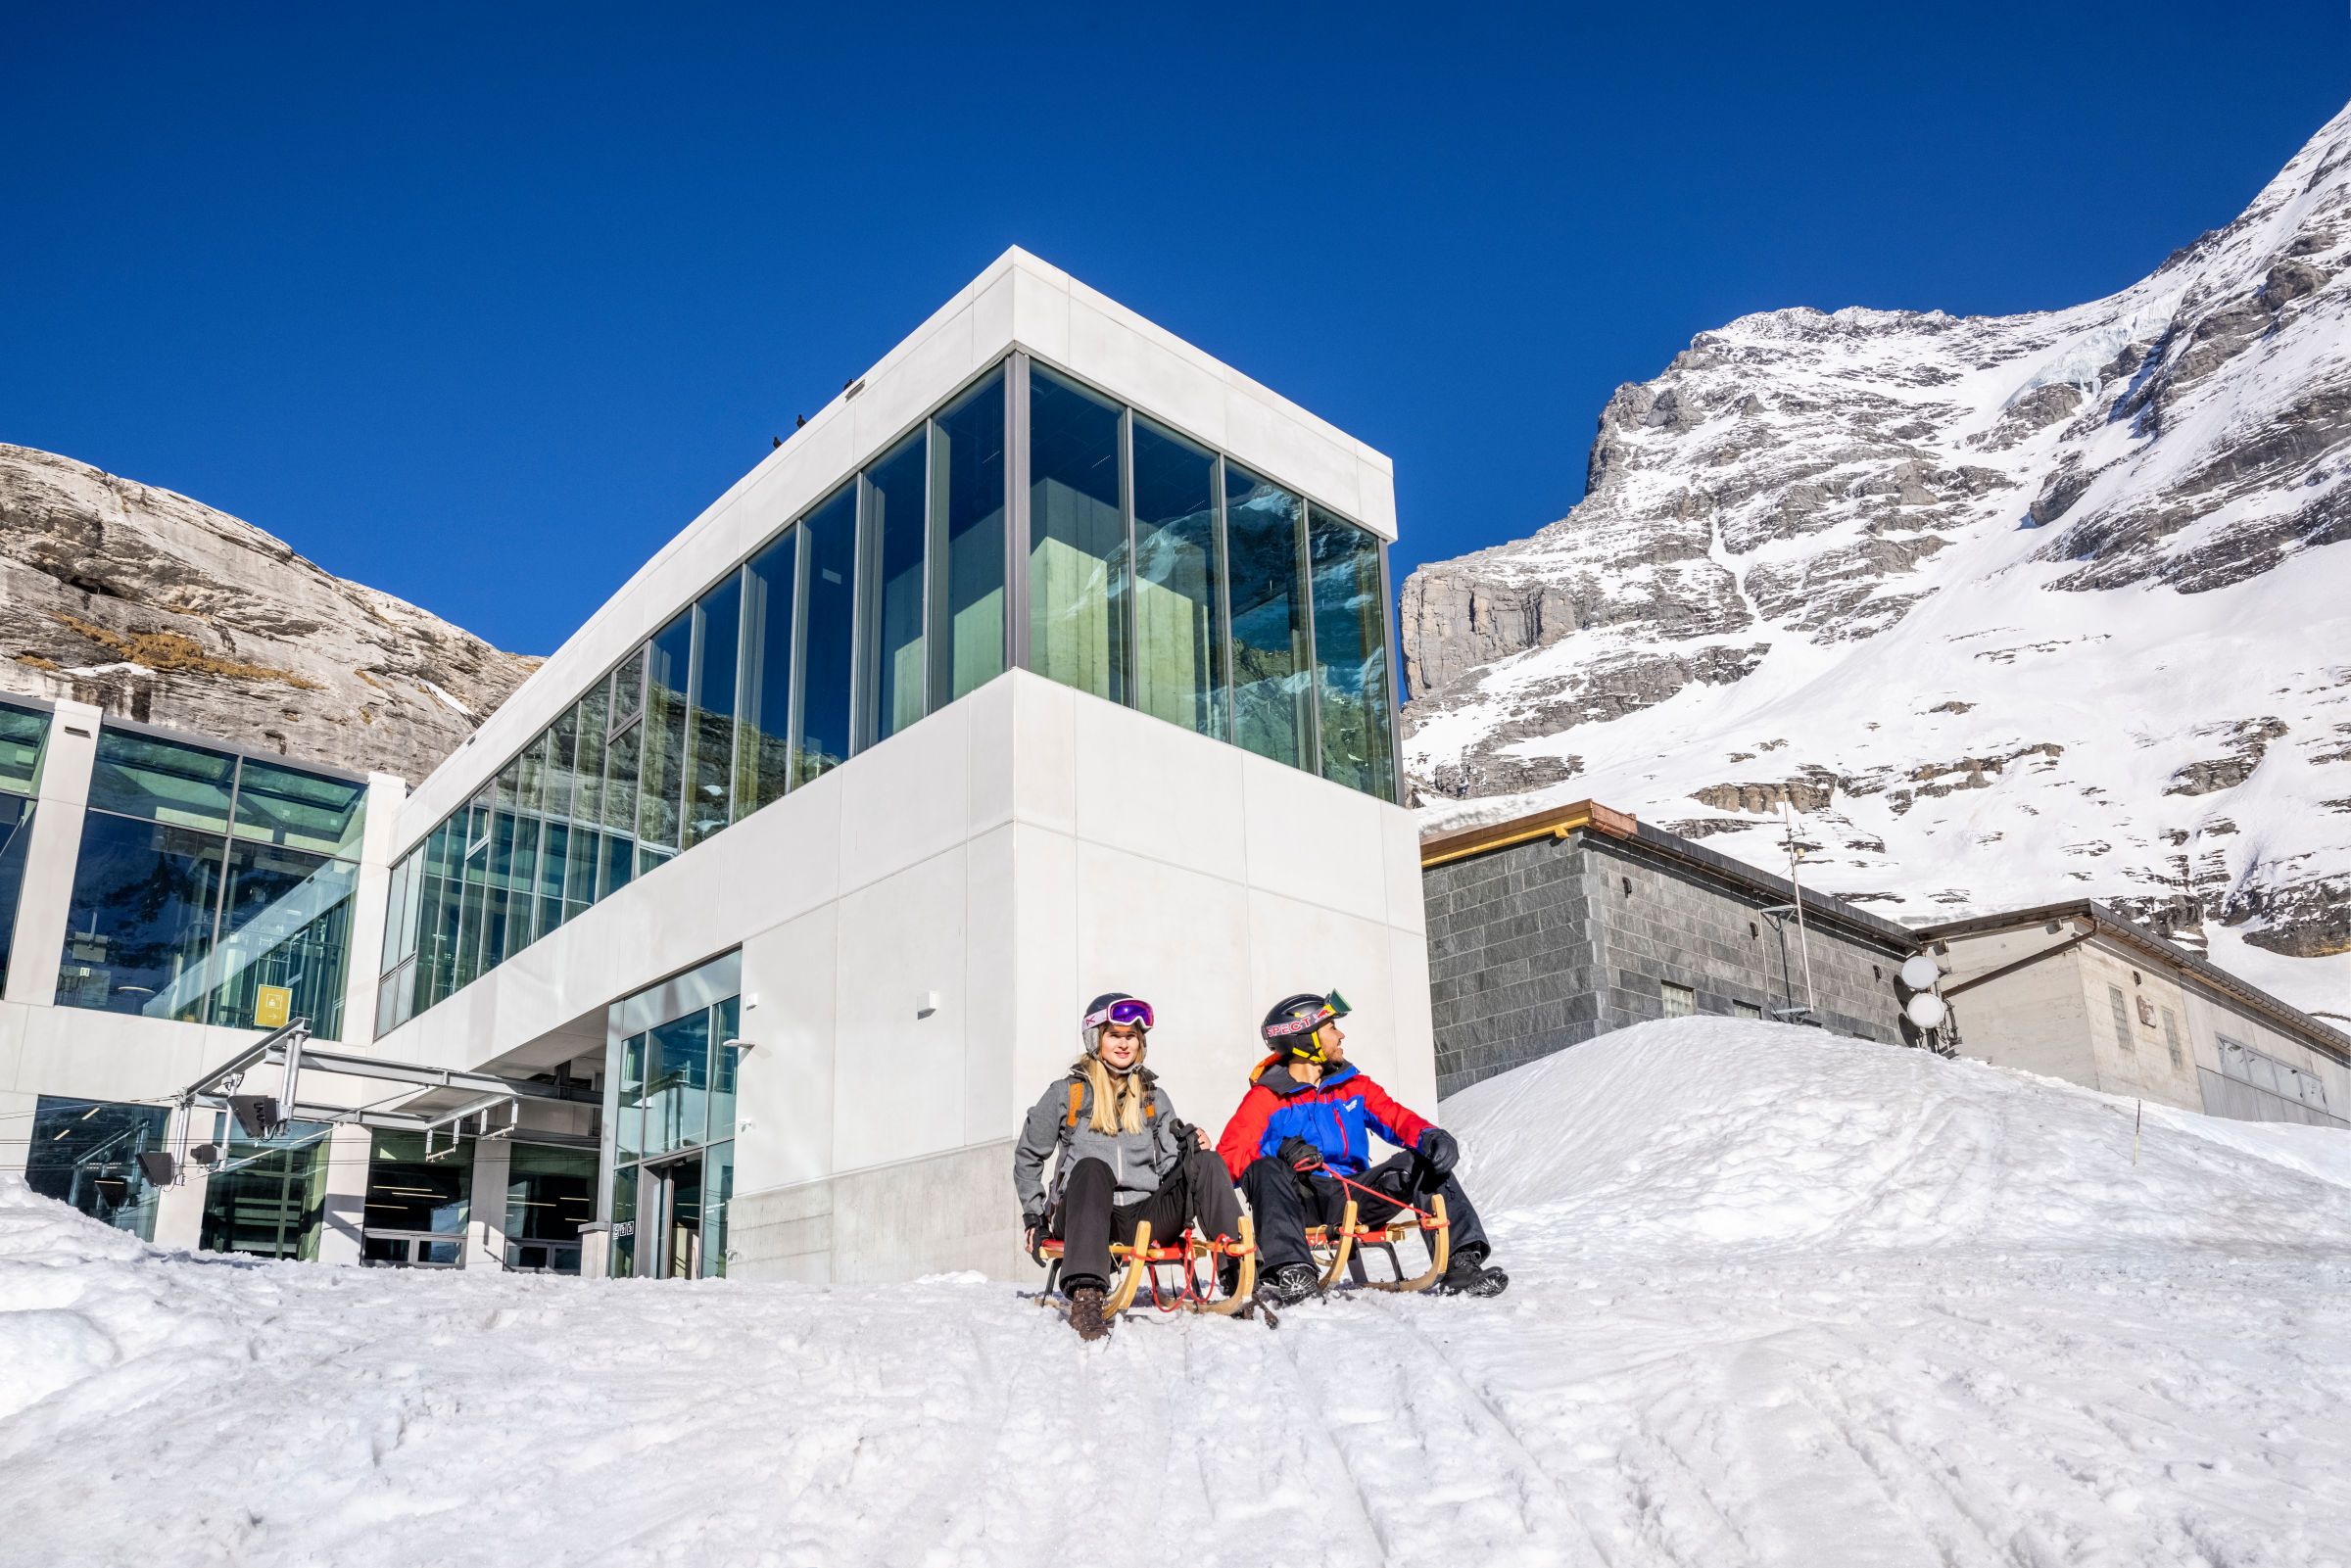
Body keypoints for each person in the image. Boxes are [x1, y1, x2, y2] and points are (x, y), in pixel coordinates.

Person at [1217, 989, 1508, 1306]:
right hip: (1298, 1201)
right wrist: (1278, 1154)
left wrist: (1429, 1135)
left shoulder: (1353, 1086)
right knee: (1265, 1167)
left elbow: (1395, 1118)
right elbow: (1227, 1164)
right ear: (1304, 1038)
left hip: (1352, 1195)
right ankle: (1294, 1272)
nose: (1340, 1035)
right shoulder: (1266, 1098)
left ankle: (1461, 1263)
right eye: (1331, 1028)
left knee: (1422, 1160)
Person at [1013, 991, 1245, 1341]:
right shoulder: (1067, 1094)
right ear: (1096, 1038)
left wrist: (1191, 1152)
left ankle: (1239, 1277)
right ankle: (1087, 1295)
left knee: (1208, 1161)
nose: (1123, 1045)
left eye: (1131, 1037)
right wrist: (1033, 1216)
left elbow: (1170, 1163)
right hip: (1088, 1216)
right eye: (1114, 1035)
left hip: (1146, 1216)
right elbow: (1028, 1153)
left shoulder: (1153, 1097)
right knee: (1091, 1166)